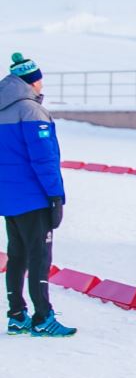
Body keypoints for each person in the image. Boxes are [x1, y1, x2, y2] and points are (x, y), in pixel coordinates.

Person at [1, 53, 75, 337]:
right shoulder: (30, 111)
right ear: (32, 81)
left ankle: (17, 315)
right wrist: (56, 196)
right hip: (33, 198)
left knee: (17, 255)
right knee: (39, 257)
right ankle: (43, 317)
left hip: (9, 198)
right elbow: (43, 160)